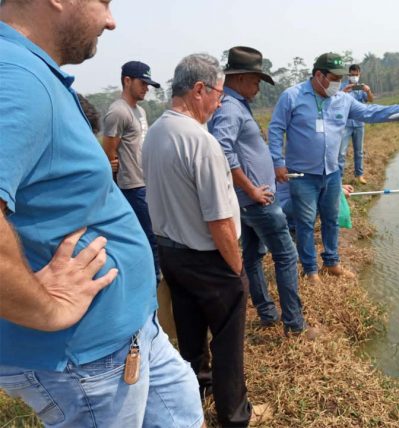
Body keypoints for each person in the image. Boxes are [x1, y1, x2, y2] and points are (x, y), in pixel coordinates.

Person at [0, 1, 204, 427]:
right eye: (105, 3)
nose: (111, 21)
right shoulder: (16, 77)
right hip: (86, 358)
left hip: (129, 331)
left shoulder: (34, 73)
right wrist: (44, 309)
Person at [142, 53, 271, 427]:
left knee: (191, 336)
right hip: (209, 257)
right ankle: (235, 415)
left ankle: (195, 399)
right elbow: (218, 219)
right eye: (218, 93)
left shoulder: (156, 133)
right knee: (228, 341)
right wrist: (236, 268)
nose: (219, 102)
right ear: (199, 89)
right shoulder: (201, 142)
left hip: (171, 253)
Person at [269, 52, 399, 283]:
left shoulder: (343, 100)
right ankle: (310, 270)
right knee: (305, 223)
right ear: (319, 75)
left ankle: (332, 263)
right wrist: (277, 163)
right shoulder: (292, 96)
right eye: (335, 78)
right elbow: (275, 129)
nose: (339, 83)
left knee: (331, 219)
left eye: (341, 78)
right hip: (302, 175)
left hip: (332, 173)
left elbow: (371, 112)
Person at [208, 46, 315, 338]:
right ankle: (295, 325)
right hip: (257, 202)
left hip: (247, 201)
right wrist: (252, 189)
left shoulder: (235, 104)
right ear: (240, 78)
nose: (257, 87)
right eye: (256, 81)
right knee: (286, 256)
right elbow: (222, 149)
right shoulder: (230, 108)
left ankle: (268, 313)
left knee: (254, 256)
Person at [102, 60, 161, 284]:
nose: (146, 88)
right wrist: (113, 167)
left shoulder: (140, 111)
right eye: (142, 83)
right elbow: (109, 149)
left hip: (145, 181)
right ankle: (153, 281)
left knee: (153, 233)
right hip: (131, 185)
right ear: (127, 81)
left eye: (148, 84)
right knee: (148, 235)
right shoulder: (118, 111)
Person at [339, 64, 374, 184]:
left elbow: (370, 100)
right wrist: (344, 91)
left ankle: (359, 175)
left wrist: (368, 90)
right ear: (348, 74)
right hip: (345, 123)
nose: (354, 77)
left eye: (356, 75)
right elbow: (335, 100)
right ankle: (339, 177)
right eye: (352, 75)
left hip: (359, 123)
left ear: (359, 74)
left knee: (359, 151)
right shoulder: (342, 87)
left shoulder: (361, 87)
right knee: (341, 152)